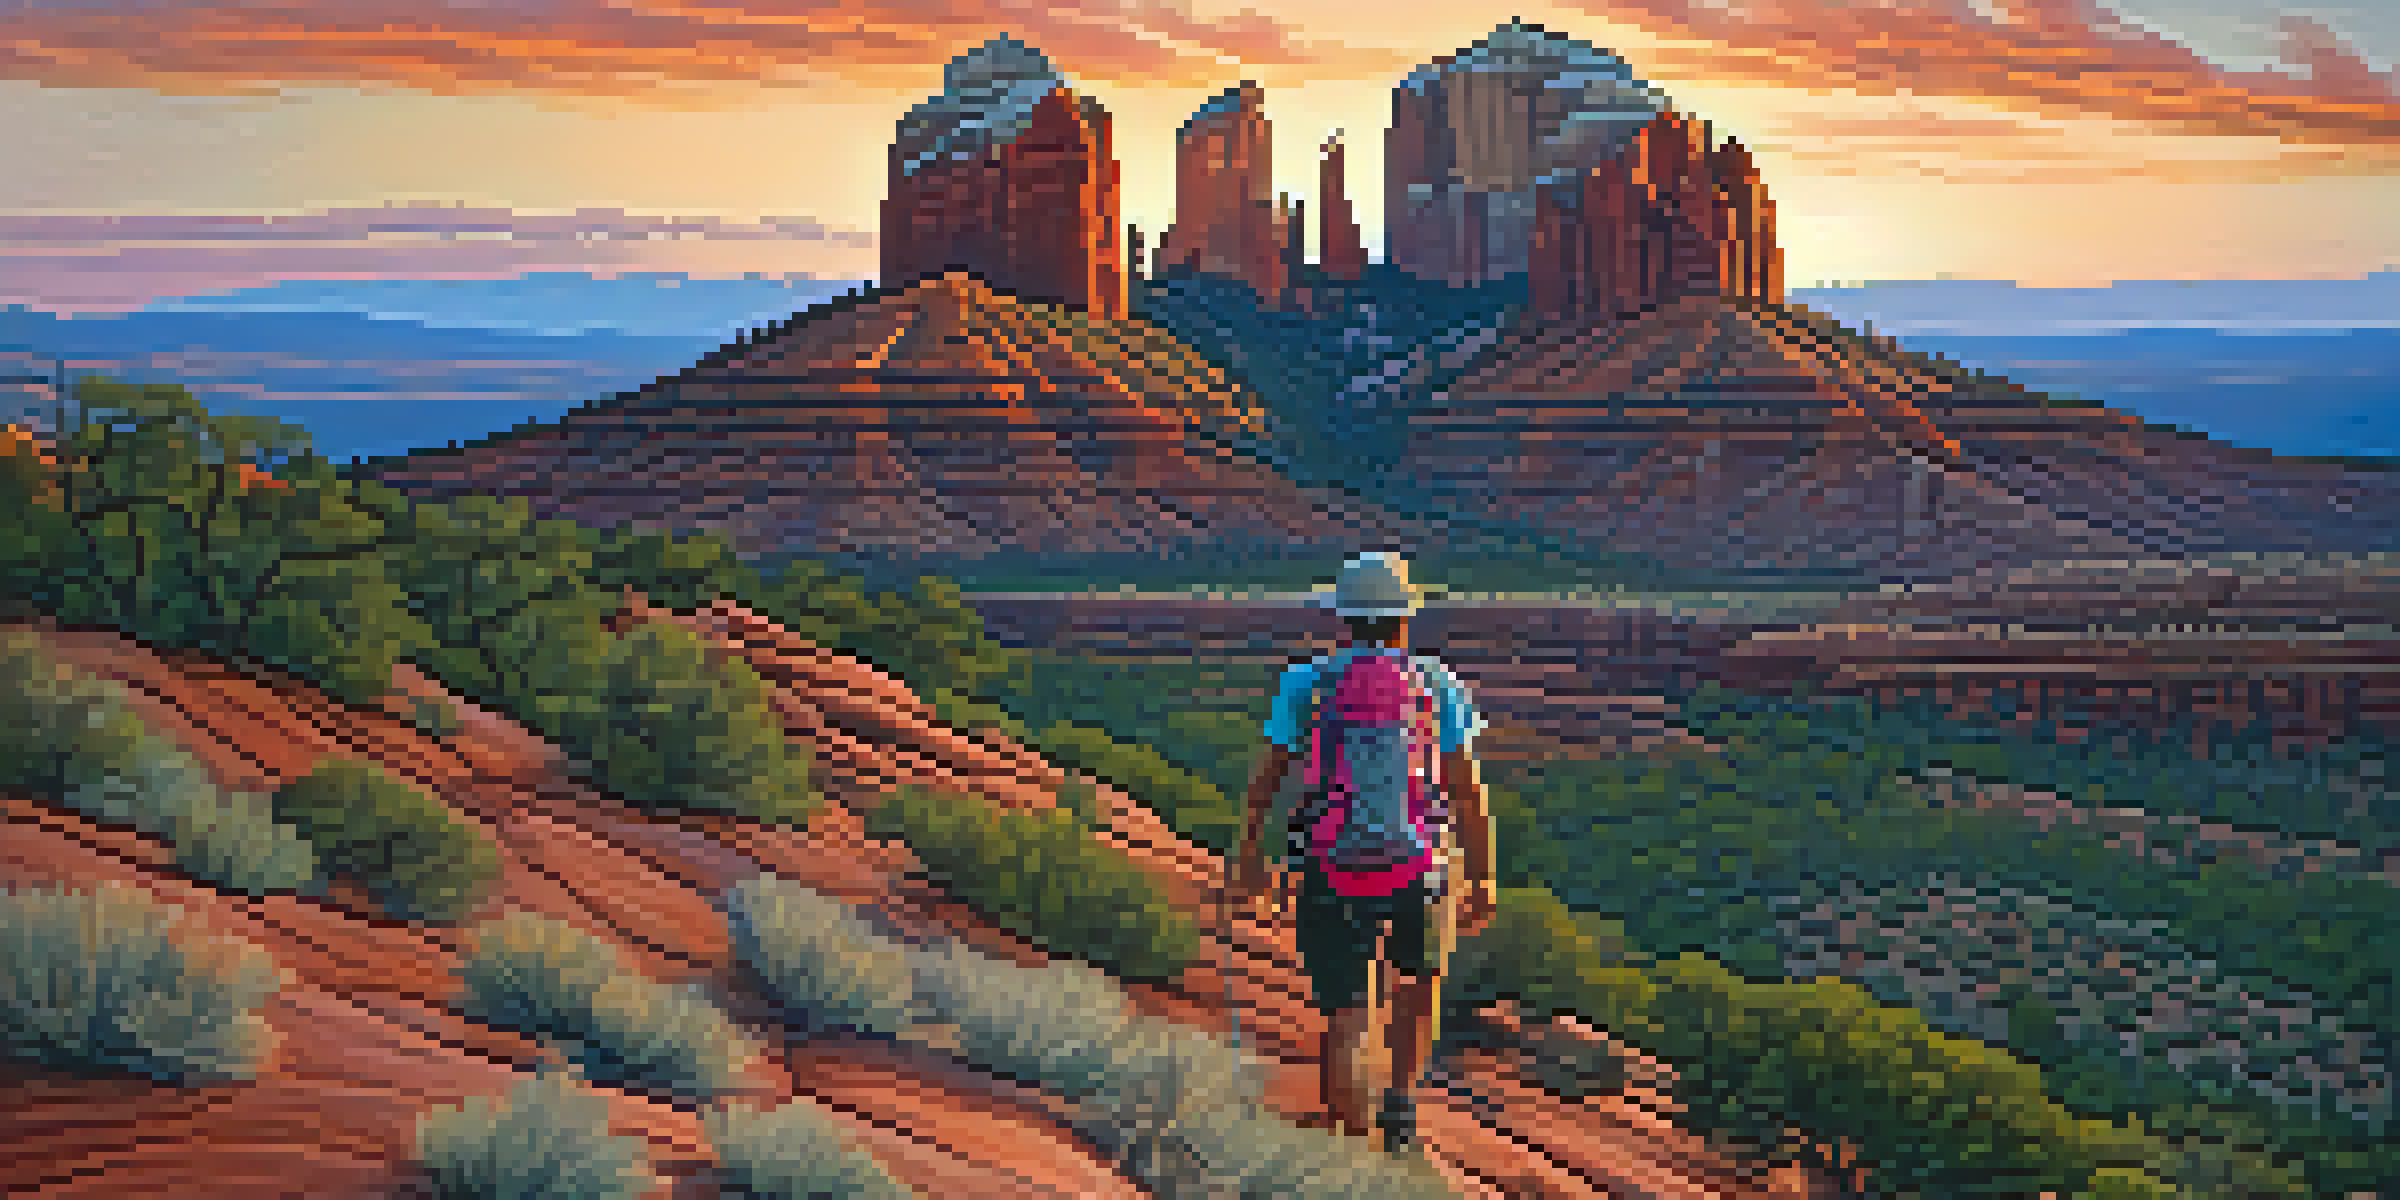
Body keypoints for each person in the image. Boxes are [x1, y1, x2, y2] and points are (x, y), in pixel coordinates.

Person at [1227, 551, 1498, 1157]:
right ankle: (1400, 1106)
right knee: (1415, 984)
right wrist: (1483, 876)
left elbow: (1268, 778)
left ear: (1345, 621)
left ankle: (1350, 1148)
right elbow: (1466, 790)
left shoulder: (1305, 683)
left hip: (1330, 866)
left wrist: (1248, 851)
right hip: (1420, 867)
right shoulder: (1436, 683)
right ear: (1404, 620)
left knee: (1347, 1014)